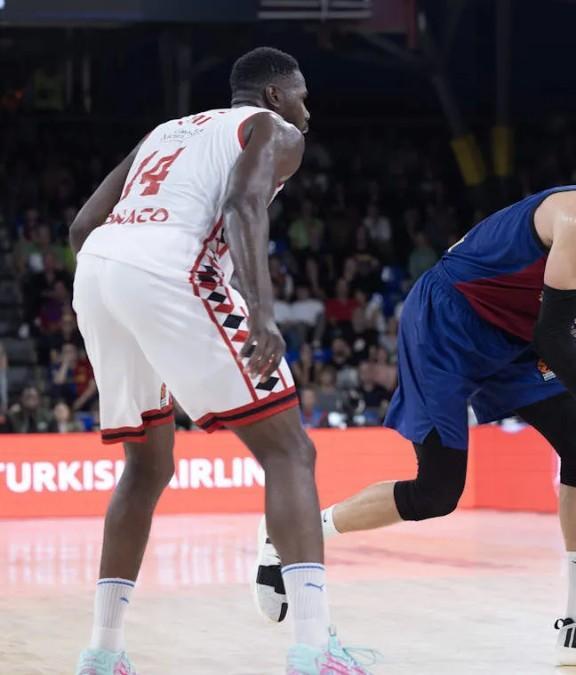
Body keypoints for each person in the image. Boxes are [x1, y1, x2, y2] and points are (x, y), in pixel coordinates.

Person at [254, 127, 576, 667]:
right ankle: (290, 535)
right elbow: (553, 337)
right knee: (437, 492)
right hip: (450, 323)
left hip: (512, 338)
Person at [69, 47, 369, 673]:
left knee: (145, 467)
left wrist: (127, 298)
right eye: (302, 96)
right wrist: (260, 310)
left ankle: (102, 652)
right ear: (275, 96)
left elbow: (80, 227)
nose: (308, 111)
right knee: (290, 450)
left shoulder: (167, 132)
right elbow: (241, 204)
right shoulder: (274, 130)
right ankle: (313, 647)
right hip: (173, 266)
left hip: (99, 269)